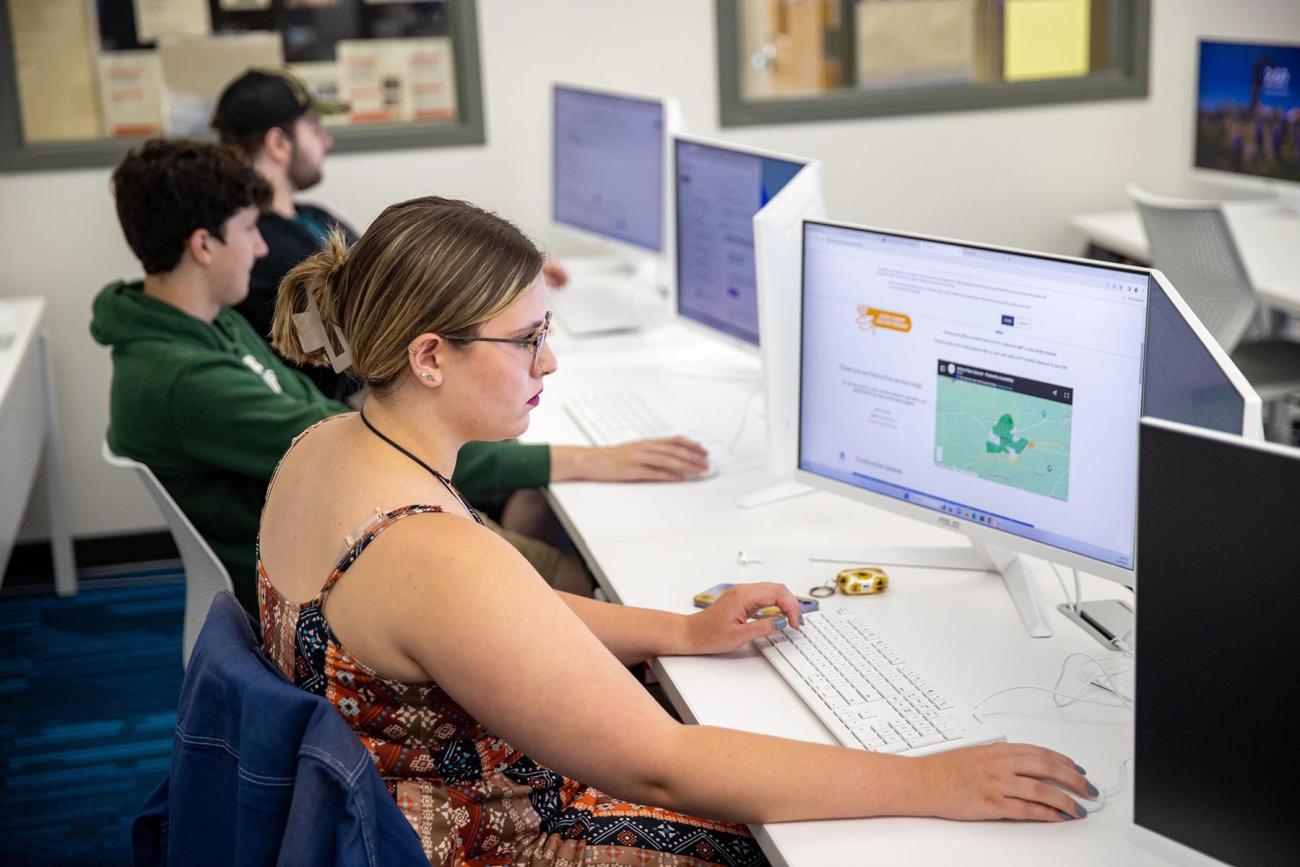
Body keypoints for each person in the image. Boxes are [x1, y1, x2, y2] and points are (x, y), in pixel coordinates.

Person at [257, 195, 1096, 865]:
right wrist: (932, 779)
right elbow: (660, 763)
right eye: (527, 340)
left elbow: (498, 614)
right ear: (430, 356)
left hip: (390, 809)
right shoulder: (427, 550)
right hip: (494, 839)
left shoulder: (326, 446)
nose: (549, 362)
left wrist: (682, 631)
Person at [91, 140, 708, 615]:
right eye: (251, 230)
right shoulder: (184, 379)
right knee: (605, 584)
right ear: (203, 244)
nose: (261, 250)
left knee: (546, 532)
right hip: (326, 563)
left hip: (338, 527)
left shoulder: (202, 326)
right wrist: (588, 461)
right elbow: (353, 434)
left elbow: (331, 411)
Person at [210, 67, 570, 400]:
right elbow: (343, 361)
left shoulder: (311, 217)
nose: (327, 142)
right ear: (278, 143)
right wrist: (507, 334)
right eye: (315, 128)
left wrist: (508, 279)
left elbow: (397, 277)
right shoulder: (271, 254)